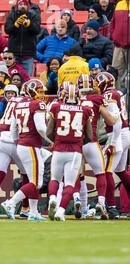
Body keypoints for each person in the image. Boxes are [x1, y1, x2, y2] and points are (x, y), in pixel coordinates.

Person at [2, 79, 53, 220]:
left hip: (23, 145)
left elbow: (13, 130)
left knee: (33, 180)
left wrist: (20, 142)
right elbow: (41, 127)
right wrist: (51, 140)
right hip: (31, 146)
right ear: (33, 91)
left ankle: (33, 212)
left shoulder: (18, 105)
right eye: (40, 91)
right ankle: (10, 203)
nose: (42, 94)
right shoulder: (37, 104)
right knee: (37, 182)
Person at [46, 84, 93, 221]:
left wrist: (57, 140)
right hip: (75, 152)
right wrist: (78, 143)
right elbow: (89, 136)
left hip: (59, 149)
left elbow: (49, 132)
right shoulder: (85, 110)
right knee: (70, 184)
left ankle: (53, 198)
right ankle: (60, 211)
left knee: (55, 179)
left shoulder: (56, 107)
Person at [76, 73, 118, 218]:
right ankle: (101, 202)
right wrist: (117, 115)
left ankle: (82, 208)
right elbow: (111, 121)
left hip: (76, 144)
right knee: (101, 173)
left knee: (78, 177)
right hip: (92, 142)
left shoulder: (73, 99)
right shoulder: (97, 99)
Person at [0, 85, 29, 218]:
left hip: (2, 139)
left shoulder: (8, 104)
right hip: (15, 140)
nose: (10, 95)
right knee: (27, 175)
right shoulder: (23, 103)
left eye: (12, 93)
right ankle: (25, 207)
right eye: (8, 93)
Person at [96, 72, 130, 219]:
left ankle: (112, 207)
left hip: (117, 134)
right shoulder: (117, 93)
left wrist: (113, 143)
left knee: (105, 171)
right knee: (121, 171)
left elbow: (117, 121)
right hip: (125, 133)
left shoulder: (108, 96)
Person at [4, 0, 41, 77]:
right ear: (17, 6)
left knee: (27, 79)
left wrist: (29, 24)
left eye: (24, 4)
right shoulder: (12, 15)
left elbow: (37, 30)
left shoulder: (33, 16)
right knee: (12, 78)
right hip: (14, 55)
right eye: (20, 4)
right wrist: (15, 25)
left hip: (28, 55)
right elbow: (7, 30)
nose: (22, 6)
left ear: (28, 6)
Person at [110, 0, 130, 89]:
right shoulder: (119, 4)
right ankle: (117, 96)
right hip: (118, 46)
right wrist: (114, 37)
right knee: (116, 73)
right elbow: (113, 23)